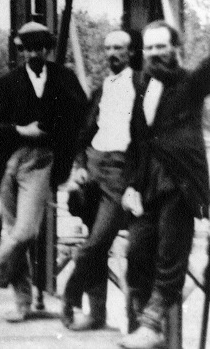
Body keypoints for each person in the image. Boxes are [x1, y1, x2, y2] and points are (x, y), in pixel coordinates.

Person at [0, 21, 88, 322]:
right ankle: (23, 304)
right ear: (21, 50)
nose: (34, 53)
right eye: (28, 48)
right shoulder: (7, 83)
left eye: (40, 47)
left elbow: (83, 121)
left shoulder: (64, 79)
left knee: (26, 231)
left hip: (42, 162)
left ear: (48, 48)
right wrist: (19, 130)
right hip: (8, 164)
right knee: (16, 235)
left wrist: (71, 156)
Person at [118, 20, 210, 349]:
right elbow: (136, 142)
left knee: (171, 253)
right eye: (150, 47)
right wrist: (130, 184)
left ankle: (151, 323)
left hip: (180, 181)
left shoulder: (190, 84)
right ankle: (148, 326)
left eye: (162, 46)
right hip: (147, 184)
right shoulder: (142, 87)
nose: (156, 53)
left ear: (175, 48)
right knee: (136, 249)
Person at [62, 30, 140, 331]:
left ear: (131, 52)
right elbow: (83, 135)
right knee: (94, 238)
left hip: (120, 171)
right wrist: (80, 166)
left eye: (119, 48)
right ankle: (96, 314)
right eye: (108, 48)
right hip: (94, 166)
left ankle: (70, 293)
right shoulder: (101, 89)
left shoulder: (142, 85)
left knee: (98, 241)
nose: (112, 54)